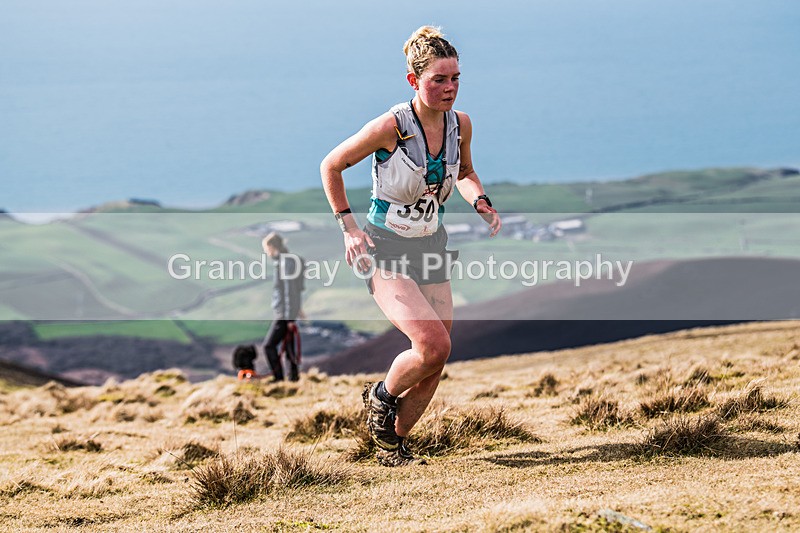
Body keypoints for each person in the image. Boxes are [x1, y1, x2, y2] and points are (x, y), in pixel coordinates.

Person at [320, 26, 501, 466]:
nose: (449, 88)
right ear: (412, 81)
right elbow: (332, 165)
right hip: (384, 248)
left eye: (455, 78)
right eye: (438, 79)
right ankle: (380, 395)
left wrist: (479, 199)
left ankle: (391, 444)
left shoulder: (461, 124)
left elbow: (464, 172)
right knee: (432, 346)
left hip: (431, 246)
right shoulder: (391, 126)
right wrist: (349, 228)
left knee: (436, 361)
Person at [262, 232, 305, 382]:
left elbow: (289, 290)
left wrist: (289, 317)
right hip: (287, 312)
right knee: (288, 346)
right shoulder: (287, 261)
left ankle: (278, 378)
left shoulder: (284, 263)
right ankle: (293, 379)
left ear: (272, 247)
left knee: (268, 346)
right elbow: (294, 290)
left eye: (266, 249)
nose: (266, 252)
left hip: (284, 314)